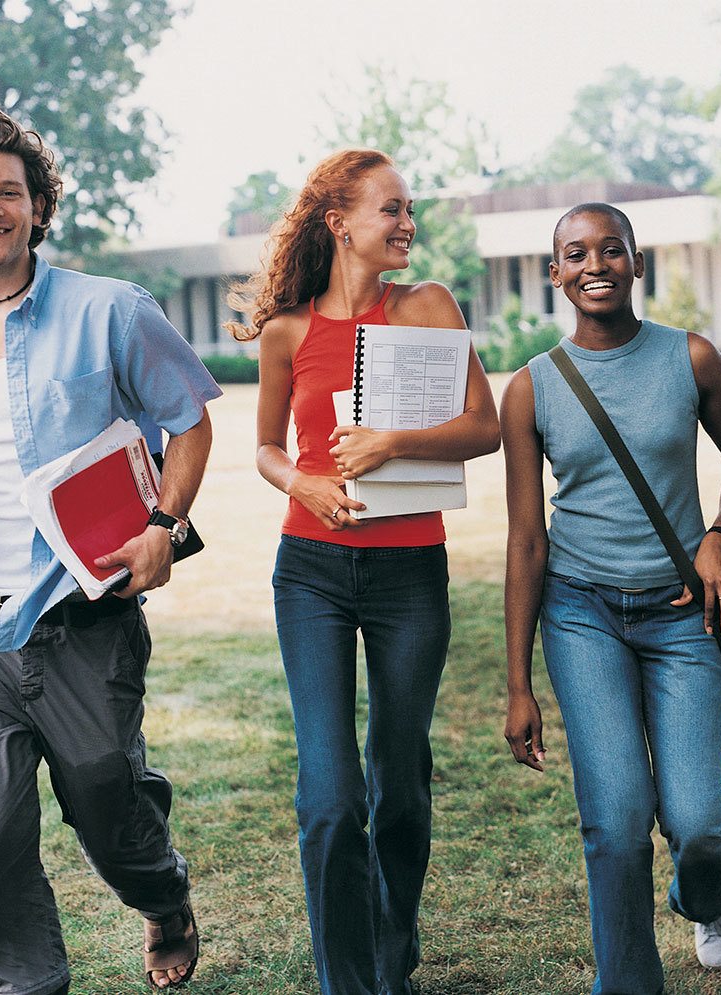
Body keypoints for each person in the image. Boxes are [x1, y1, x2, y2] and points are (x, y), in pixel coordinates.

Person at [0, 103, 221, 994]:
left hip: (81, 612)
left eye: (9, 191)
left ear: (38, 206)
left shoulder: (111, 310)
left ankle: (164, 899)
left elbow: (188, 424)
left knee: (109, 806)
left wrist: (163, 527)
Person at [230, 148, 499, 995]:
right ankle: (351, 982)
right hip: (309, 571)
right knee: (330, 793)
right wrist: (301, 479)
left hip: (410, 572)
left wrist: (394, 444)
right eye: (392, 209)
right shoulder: (288, 333)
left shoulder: (426, 307)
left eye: (409, 208)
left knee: (400, 778)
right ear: (340, 223)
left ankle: (393, 946)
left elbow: (484, 425)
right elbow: (269, 449)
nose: (408, 223)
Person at [501, 203, 721, 995]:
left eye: (612, 249)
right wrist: (518, 684)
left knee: (699, 823)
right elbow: (526, 541)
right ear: (556, 273)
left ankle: (706, 895)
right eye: (575, 253)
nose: (595, 264)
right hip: (581, 614)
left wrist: (717, 532)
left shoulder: (693, 358)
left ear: (636, 263)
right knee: (614, 821)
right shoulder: (530, 388)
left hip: (684, 612)